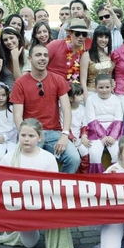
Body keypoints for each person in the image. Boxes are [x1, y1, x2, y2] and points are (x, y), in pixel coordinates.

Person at [0, 118, 76, 248]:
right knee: (30, 244)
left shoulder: (48, 158)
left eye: (31, 136)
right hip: (23, 210)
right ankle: (30, 230)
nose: (26, 139)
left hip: (44, 206)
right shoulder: (8, 158)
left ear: (39, 137)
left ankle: (47, 230)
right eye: (23, 135)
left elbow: (54, 187)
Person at [11, 44, 81, 173]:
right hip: (32, 132)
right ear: (29, 59)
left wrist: (65, 135)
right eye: (38, 55)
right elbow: (17, 116)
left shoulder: (58, 80)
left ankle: (58, 187)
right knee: (32, 165)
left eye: (45, 55)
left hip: (54, 132)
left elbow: (67, 109)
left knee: (74, 158)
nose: (42, 58)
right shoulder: (20, 83)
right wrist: (27, 135)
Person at [83, 74, 123, 173]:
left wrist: (113, 136)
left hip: (113, 132)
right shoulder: (91, 99)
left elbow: (119, 119)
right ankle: (97, 179)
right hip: (96, 132)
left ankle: (115, 178)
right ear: (95, 87)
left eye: (107, 87)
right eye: (101, 87)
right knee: (95, 154)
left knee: (117, 153)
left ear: (112, 87)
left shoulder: (116, 100)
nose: (104, 90)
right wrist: (103, 136)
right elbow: (91, 119)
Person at [47, 18, 93, 82]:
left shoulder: (87, 50)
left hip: (73, 87)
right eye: (77, 33)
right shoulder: (55, 45)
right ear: (70, 33)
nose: (81, 37)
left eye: (84, 34)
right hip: (52, 84)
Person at [79, 25, 115, 98]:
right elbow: (83, 81)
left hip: (107, 94)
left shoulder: (108, 55)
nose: (104, 40)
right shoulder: (86, 55)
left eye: (106, 37)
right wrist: (86, 99)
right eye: (101, 36)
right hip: (91, 94)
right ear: (95, 38)